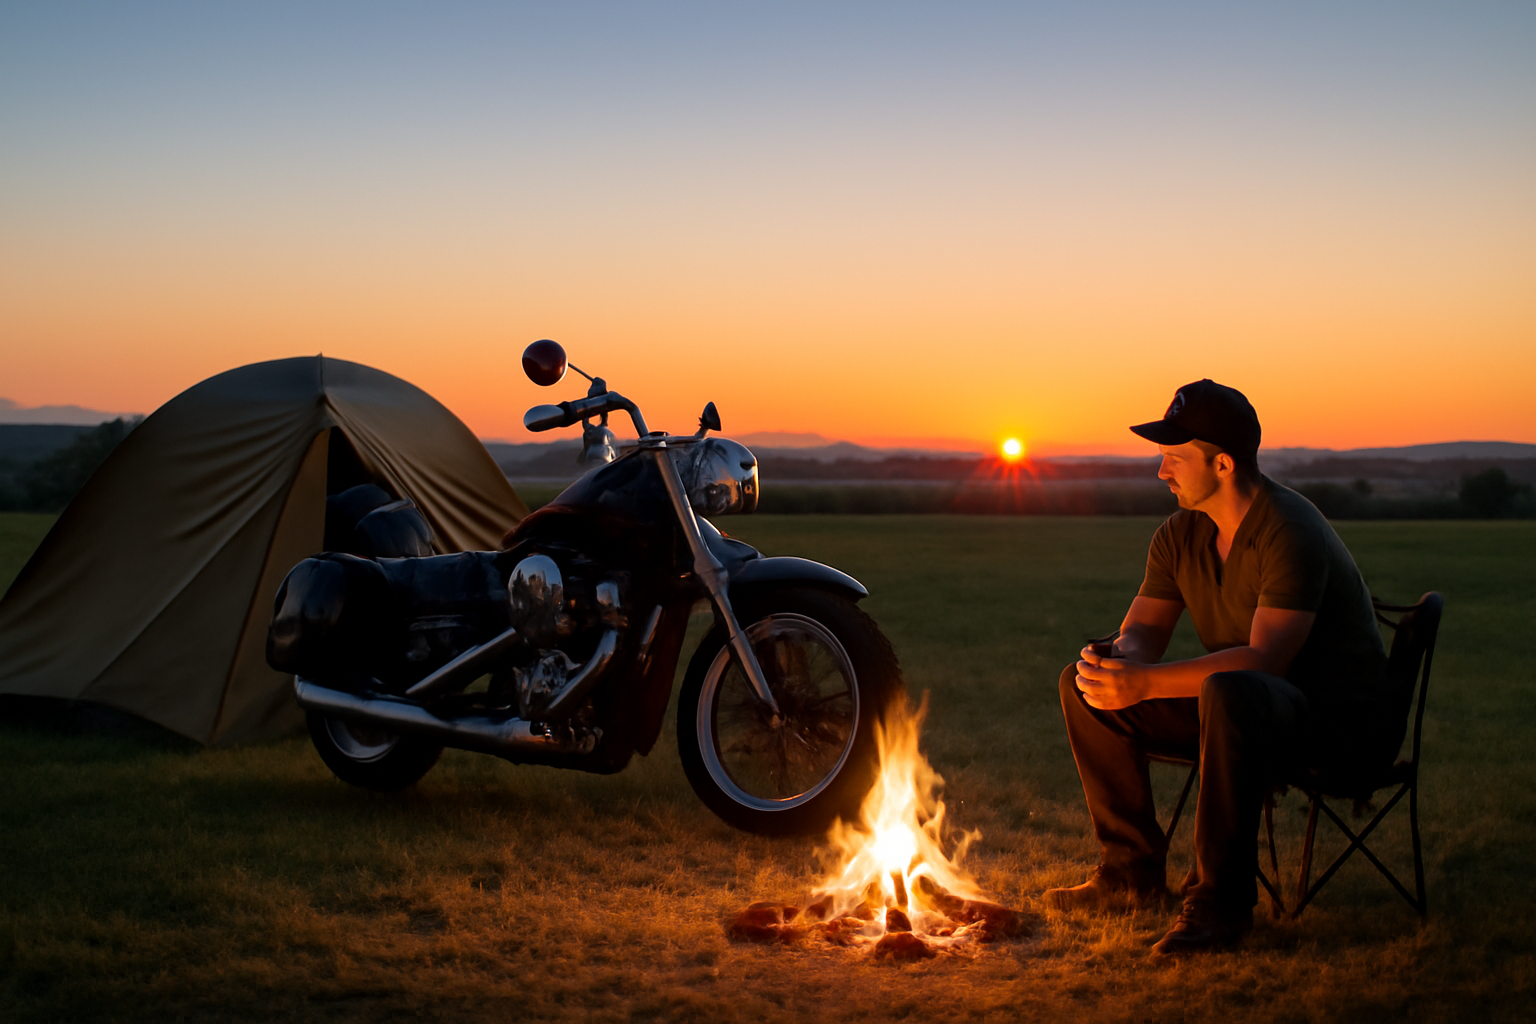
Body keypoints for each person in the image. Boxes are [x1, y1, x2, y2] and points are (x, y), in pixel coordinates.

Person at [1046, 379, 1397, 956]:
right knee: (1084, 687)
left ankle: (1219, 907)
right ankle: (1129, 872)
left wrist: (1146, 682)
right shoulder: (1181, 535)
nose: (1162, 473)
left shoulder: (1289, 530)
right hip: (1239, 711)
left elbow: (1266, 661)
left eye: (1174, 459)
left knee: (1232, 692)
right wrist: (1118, 660)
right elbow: (1144, 632)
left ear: (1224, 463)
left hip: (1335, 727)